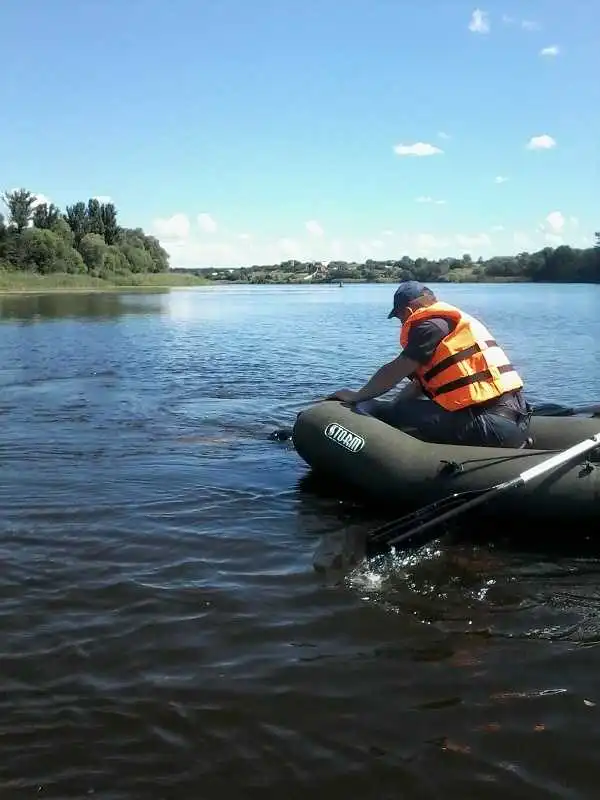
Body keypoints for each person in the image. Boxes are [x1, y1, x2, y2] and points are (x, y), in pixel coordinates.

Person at [327, 280, 532, 448]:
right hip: (516, 421)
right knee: (397, 409)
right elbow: (417, 385)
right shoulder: (448, 324)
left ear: (407, 310)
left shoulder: (428, 326)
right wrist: (395, 407)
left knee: (382, 410)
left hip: (491, 426)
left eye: (399, 318)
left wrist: (357, 396)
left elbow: (396, 369)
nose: (401, 323)